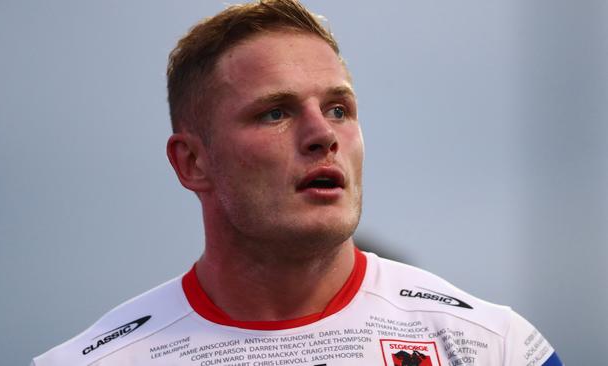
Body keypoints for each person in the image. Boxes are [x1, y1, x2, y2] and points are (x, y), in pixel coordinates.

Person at [31, 1, 563, 365]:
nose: (321, 135)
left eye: (338, 108)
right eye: (275, 113)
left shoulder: (491, 347)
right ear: (192, 162)